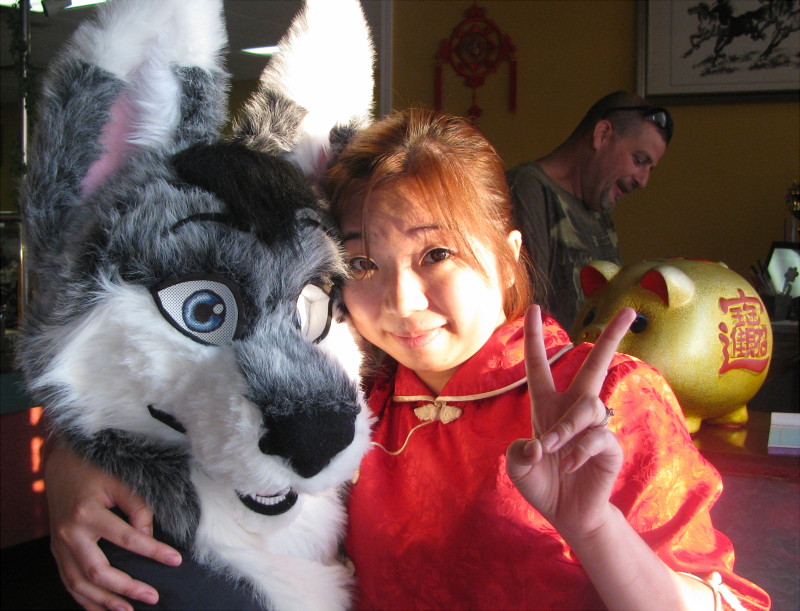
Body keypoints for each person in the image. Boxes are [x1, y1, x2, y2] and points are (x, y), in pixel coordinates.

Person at [43, 109, 768, 611]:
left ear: (507, 257)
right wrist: (70, 469)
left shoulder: (606, 399)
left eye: (436, 253)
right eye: (362, 262)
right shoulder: (357, 395)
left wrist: (595, 528)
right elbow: (188, 422)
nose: (400, 299)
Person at [506, 90, 673, 330]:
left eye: (650, 169)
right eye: (638, 160)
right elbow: (523, 315)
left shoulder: (598, 208)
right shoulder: (526, 189)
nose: (643, 181)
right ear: (602, 134)